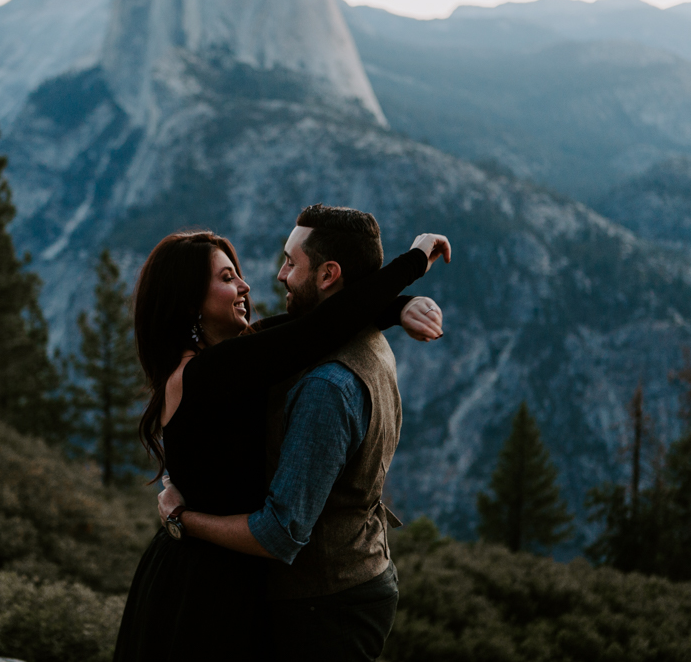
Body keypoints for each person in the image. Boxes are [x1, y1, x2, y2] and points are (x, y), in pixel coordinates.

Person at [112, 212, 449, 661]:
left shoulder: (236, 353)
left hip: (235, 580)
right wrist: (413, 261)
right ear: (189, 300)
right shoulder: (206, 373)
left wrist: (395, 308)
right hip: (199, 588)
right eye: (228, 277)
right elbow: (315, 331)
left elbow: (316, 325)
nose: (249, 286)